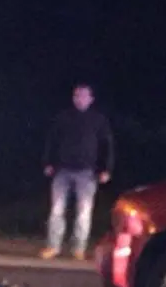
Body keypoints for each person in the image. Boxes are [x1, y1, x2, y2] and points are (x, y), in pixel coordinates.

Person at [41, 84, 115, 260]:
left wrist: (106, 169)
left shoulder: (98, 120)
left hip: (87, 173)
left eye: (83, 96)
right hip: (62, 170)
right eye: (76, 95)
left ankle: (78, 249)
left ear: (90, 99)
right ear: (73, 98)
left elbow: (108, 145)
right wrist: (48, 162)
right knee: (57, 210)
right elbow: (51, 141)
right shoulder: (63, 117)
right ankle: (53, 246)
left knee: (84, 212)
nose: (79, 99)